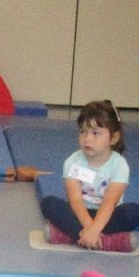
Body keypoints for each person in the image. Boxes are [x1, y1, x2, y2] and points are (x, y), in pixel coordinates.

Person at [40, 100, 139, 252]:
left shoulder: (119, 165)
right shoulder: (72, 162)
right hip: (79, 212)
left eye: (95, 133)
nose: (88, 139)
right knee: (49, 203)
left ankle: (69, 237)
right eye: (83, 132)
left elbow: (109, 203)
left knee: (132, 212)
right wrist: (88, 229)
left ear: (113, 138)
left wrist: (93, 230)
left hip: (108, 216)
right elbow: (75, 200)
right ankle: (105, 241)